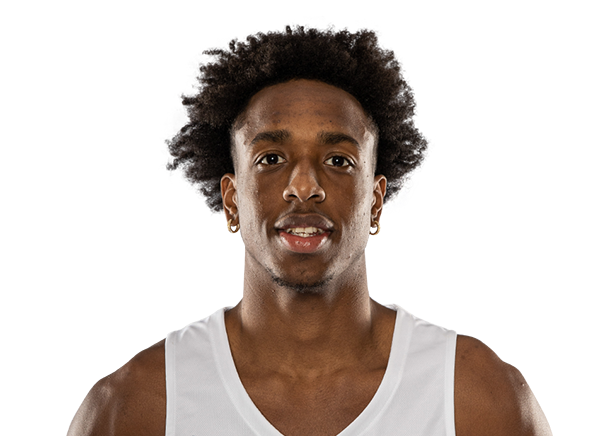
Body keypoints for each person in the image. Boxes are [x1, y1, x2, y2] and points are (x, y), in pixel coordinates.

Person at [68, 29, 551, 436]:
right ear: (232, 200)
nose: (304, 186)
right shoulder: (141, 404)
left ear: (376, 201)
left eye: (338, 160)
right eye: (270, 159)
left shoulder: (472, 397)